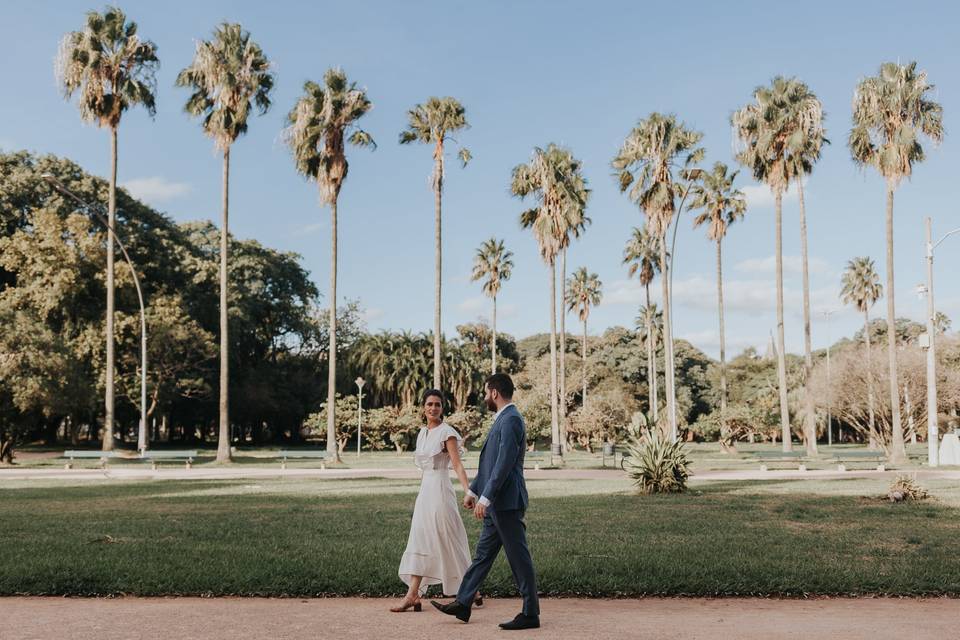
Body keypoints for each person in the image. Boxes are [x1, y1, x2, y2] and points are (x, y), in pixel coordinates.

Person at [432, 373, 540, 630]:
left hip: (506, 502)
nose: (483, 397)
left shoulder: (511, 419)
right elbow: (489, 464)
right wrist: (473, 492)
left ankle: (530, 613)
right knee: (482, 556)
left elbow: (504, 465)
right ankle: (463, 601)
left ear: (494, 393)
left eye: (485, 392)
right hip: (498, 502)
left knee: (518, 557)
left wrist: (486, 498)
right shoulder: (503, 419)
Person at [390, 389, 477, 612]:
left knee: (449, 535)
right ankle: (413, 595)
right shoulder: (422, 433)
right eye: (429, 404)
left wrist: (469, 491)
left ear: (442, 408)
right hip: (425, 491)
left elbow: (456, 464)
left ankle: (472, 587)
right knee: (420, 538)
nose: (433, 408)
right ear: (423, 407)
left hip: (440, 489)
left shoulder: (447, 433)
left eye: (437, 404)